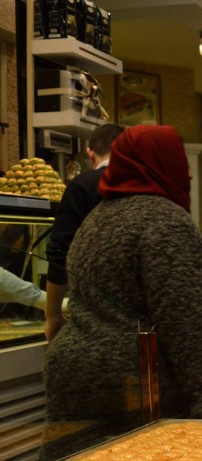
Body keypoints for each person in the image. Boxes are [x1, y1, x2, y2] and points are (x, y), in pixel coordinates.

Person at [43, 125, 202, 459]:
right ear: (160, 164)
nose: (187, 173)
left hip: (73, 375)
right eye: (179, 161)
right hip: (135, 384)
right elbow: (184, 323)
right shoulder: (165, 222)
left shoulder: (97, 219)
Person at [45, 124, 124, 341]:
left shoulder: (82, 185)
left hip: (93, 315)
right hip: (137, 316)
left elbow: (60, 251)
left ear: (90, 154)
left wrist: (52, 316)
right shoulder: (148, 185)